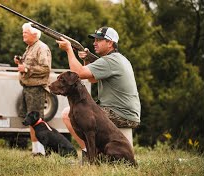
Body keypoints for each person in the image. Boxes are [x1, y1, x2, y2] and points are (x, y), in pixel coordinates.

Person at [56, 26, 141, 155]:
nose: (94, 43)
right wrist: (86, 60)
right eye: (94, 39)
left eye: (99, 40)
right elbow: (92, 79)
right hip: (126, 112)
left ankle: (90, 154)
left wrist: (69, 49)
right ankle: (94, 152)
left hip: (119, 113)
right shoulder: (118, 59)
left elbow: (78, 73)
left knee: (68, 114)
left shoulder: (110, 61)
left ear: (110, 43)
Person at [14, 22, 52, 156]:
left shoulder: (41, 48)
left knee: (37, 121)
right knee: (32, 121)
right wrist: (20, 63)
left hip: (36, 89)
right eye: (23, 32)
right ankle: (36, 150)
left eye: (26, 32)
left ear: (35, 34)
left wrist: (26, 68)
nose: (23, 34)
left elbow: (45, 68)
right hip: (28, 88)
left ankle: (41, 151)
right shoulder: (30, 47)